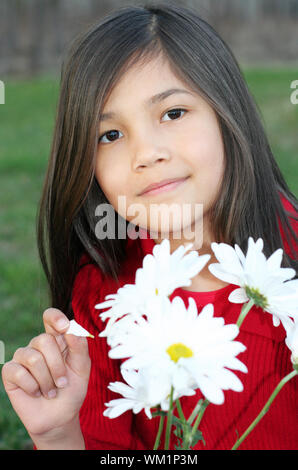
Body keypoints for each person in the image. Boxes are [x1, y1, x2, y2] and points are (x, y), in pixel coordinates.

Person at [2, 3, 297, 450]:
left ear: (226, 111)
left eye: (173, 113)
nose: (147, 153)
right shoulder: (103, 298)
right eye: (111, 135)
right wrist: (59, 434)